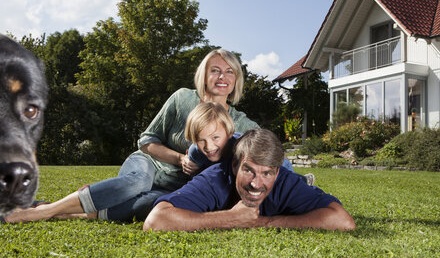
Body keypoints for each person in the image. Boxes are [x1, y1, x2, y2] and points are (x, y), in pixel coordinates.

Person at [4, 49, 259, 223]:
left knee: (147, 205)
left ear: (236, 80)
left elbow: (266, 149)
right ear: (204, 75)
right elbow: (147, 141)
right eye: (215, 70)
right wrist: (179, 158)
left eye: (229, 72)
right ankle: (47, 210)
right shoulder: (182, 98)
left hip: (176, 184)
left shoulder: (241, 122)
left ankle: (70, 214)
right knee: (136, 183)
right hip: (148, 163)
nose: (222, 77)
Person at [143, 129, 356, 232]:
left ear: (277, 172)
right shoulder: (215, 178)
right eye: (249, 170)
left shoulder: (285, 181)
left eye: (267, 173)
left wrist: (261, 222)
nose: (256, 184)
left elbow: (343, 221)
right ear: (235, 166)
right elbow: (155, 221)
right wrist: (231, 219)